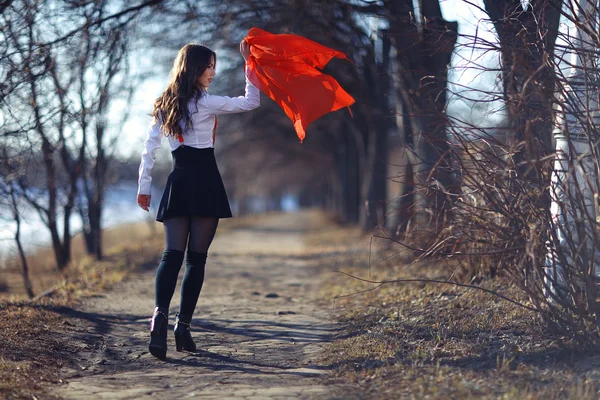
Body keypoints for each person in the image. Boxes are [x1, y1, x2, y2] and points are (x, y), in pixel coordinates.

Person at [136, 40, 259, 360]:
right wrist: (251, 66)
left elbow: (149, 149)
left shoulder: (165, 103)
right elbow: (250, 103)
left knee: (170, 256)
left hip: (178, 181)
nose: (213, 73)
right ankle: (182, 326)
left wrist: (144, 187)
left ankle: (158, 319)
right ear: (194, 68)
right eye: (209, 67)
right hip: (205, 181)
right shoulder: (206, 102)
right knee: (196, 260)